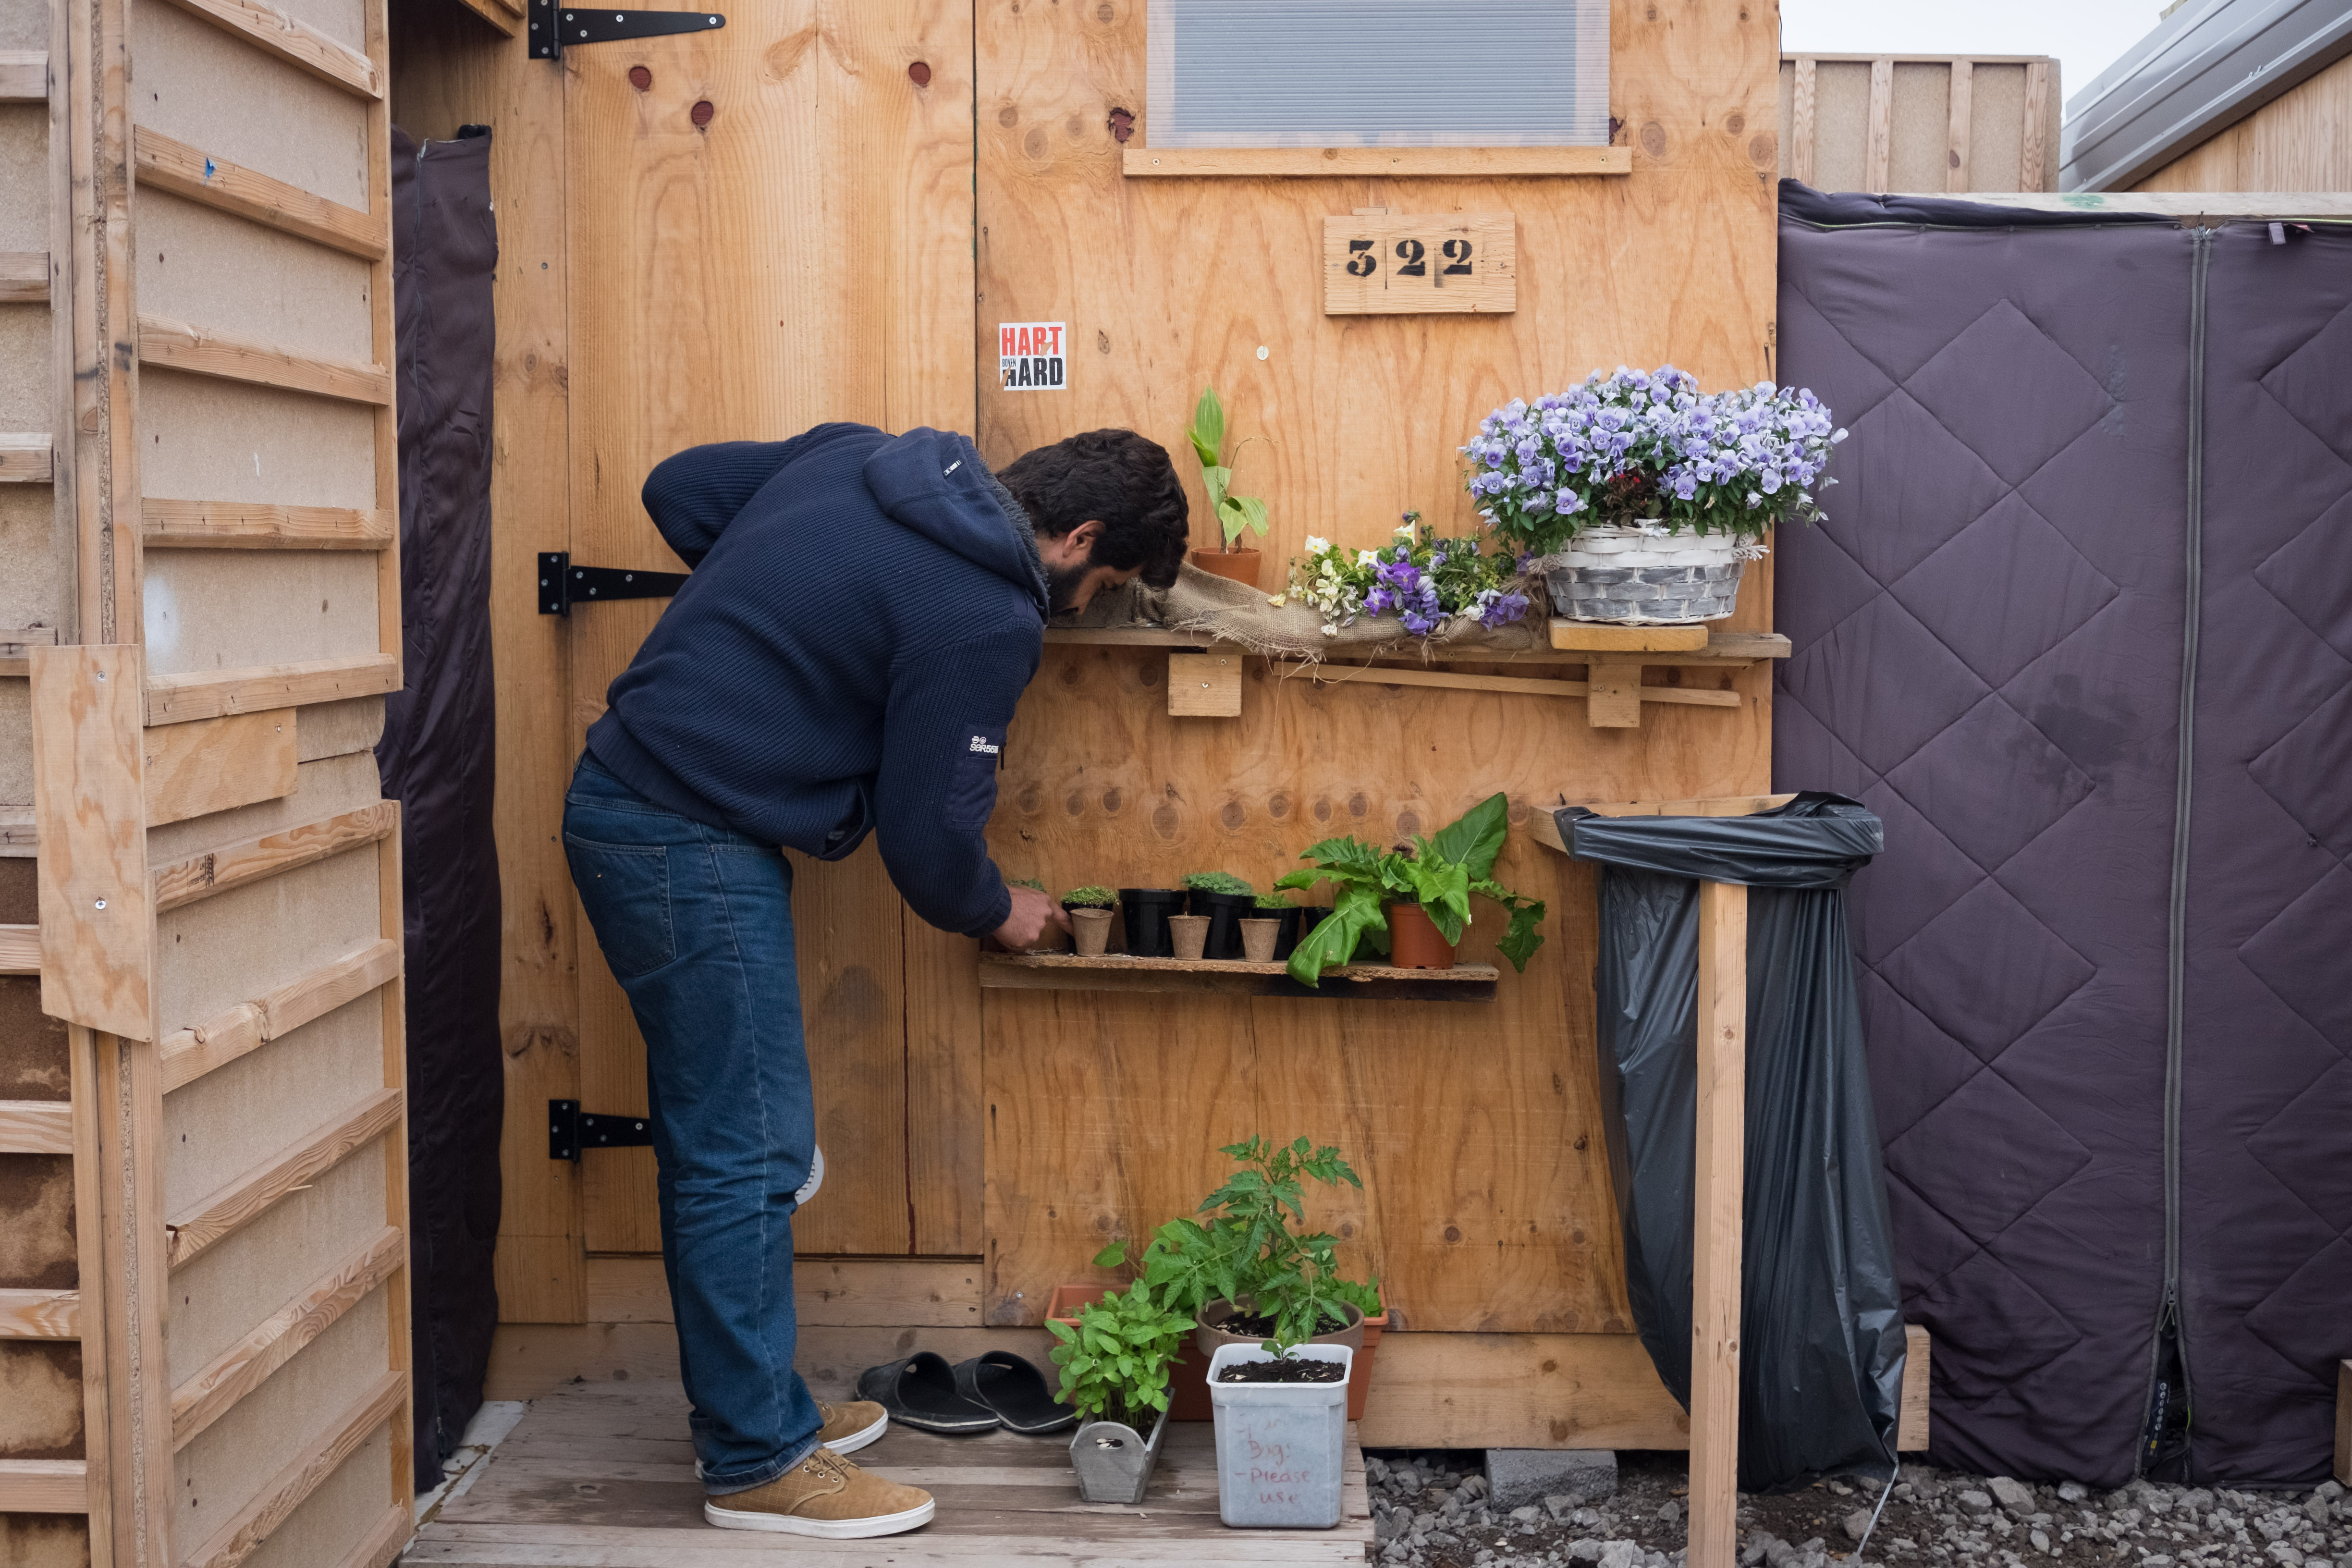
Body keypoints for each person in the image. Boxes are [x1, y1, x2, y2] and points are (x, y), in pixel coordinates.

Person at [561, 423, 1188, 1538]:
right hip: (680, 834)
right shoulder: (986, 614)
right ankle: (758, 1462)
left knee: (733, 1136)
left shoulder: (872, 455)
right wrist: (1001, 912)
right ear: (1077, 538)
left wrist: (788, 626)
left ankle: (762, 1412)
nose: (1086, 609)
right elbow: (928, 839)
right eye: (1103, 585)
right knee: (745, 1148)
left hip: (652, 803)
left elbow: (680, 489)